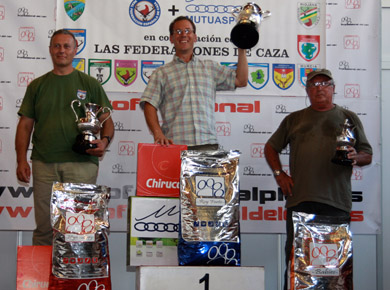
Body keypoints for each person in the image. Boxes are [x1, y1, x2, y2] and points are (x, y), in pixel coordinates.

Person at [263, 68, 372, 290]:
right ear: (307, 90)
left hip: (336, 203)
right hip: (300, 201)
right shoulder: (294, 119)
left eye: (325, 84)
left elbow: (367, 155)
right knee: (298, 267)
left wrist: (354, 157)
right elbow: (270, 148)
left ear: (333, 88)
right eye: (314, 85)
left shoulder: (349, 118)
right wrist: (279, 174)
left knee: (333, 271)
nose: (319, 88)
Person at [15, 29, 114, 245]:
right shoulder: (37, 86)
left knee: (78, 227)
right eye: (57, 46)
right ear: (50, 50)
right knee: (44, 227)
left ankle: (75, 279)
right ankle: (42, 278)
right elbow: (24, 126)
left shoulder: (90, 84)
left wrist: (104, 142)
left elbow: (107, 120)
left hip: (81, 164)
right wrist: (21, 159)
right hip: (44, 164)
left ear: (75, 50)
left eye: (66, 46)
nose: (62, 50)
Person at [140, 16, 248, 150]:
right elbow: (149, 104)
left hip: (207, 144)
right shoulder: (161, 73)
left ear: (195, 37)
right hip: (175, 146)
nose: (183, 34)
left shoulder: (210, 67)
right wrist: (158, 133)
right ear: (171, 38)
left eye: (187, 31)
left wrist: (242, 47)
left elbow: (241, 80)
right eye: (178, 32)